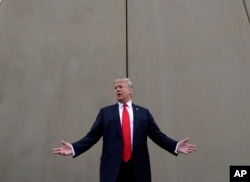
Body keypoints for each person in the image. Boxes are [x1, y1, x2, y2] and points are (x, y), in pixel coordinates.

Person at [52, 78, 198, 182]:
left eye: (121, 86)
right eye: (115, 88)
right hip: (113, 168)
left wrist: (176, 146)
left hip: (138, 168)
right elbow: (92, 137)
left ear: (130, 90)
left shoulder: (143, 113)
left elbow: (158, 136)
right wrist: (73, 148)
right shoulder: (106, 113)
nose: (117, 89)